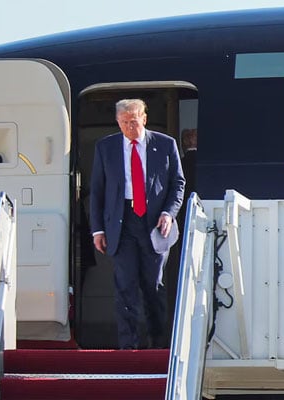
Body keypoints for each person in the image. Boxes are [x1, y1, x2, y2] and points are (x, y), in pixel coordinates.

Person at [90, 98, 185, 350]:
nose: (129, 127)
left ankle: (158, 343)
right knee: (125, 285)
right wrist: (97, 229)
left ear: (144, 118)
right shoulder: (106, 147)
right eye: (123, 122)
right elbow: (97, 191)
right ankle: (128, 347)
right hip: (121, 223)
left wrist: (168, 212)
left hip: (154, 223)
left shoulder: (165, 145)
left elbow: (178, 183)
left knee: (153, 285)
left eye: (133, 121)